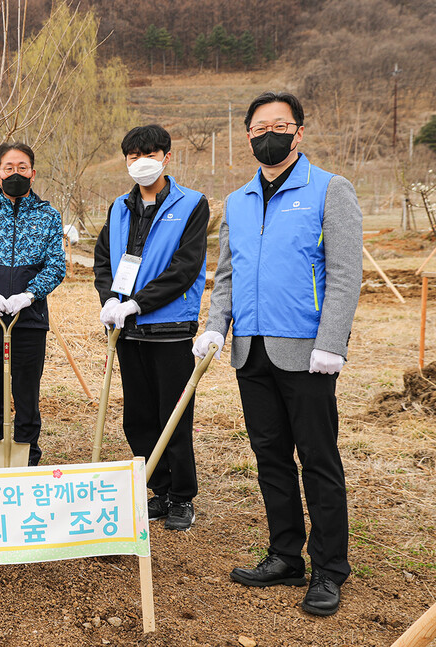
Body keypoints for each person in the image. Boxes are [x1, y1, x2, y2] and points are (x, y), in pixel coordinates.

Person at [193, 92, 362, 616]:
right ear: (247, 135)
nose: (270, 133)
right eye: (260, 126)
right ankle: (286, 554)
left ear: (299, 133)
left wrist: (331, 342)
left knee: (317, 459)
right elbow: (227, 274)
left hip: (307, 355)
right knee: (270, 460)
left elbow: (344, 274)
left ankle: (329, 567)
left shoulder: (330, 190)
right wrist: (215, 327)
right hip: (252, 353)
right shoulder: (239, 200)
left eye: (281, 125)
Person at [93, 124, 209, 531]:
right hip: (126, 331)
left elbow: (184, 268)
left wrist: (139, 304)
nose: (141, 162)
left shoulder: (193, 204)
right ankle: (158, 490)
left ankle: (182, 496)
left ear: (166, 157)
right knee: (138, 417)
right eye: (132, 156)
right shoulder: (118, 208)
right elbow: (104, 259)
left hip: (170, 328)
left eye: (149, 154)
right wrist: (110, 298)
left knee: (172, 415)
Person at [0, 141, 66, 466]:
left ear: (33, 173)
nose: (15, 173)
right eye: (9, 168)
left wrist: (29, 295)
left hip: (29, 320)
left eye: (22, 168)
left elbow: (56, 265)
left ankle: (27, 458)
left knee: (27, 392)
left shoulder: (48, 216)